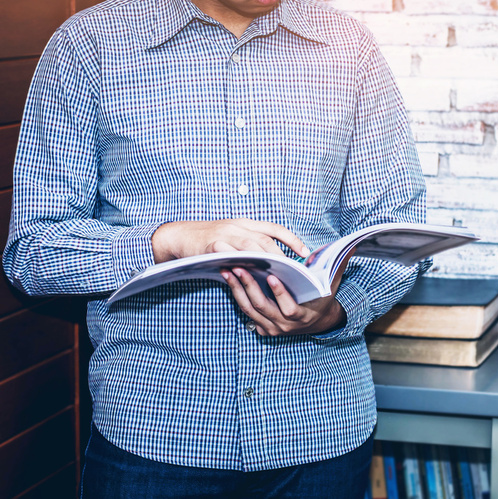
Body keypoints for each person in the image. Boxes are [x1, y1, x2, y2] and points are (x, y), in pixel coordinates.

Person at [3, 0, 429, 496]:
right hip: (153, 444)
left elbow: (397, 232)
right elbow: (33, 252)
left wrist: (339, 310)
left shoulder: (349, 46)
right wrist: (171, 241)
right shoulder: (90, 45)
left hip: (321, 438)